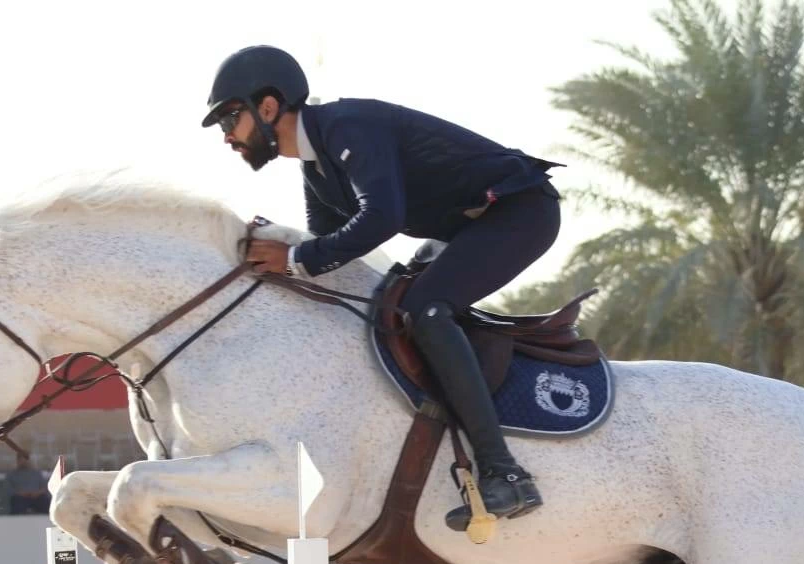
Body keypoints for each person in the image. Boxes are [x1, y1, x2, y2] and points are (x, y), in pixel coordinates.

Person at [202, 45, 560, 530]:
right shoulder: (316, 169)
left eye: (230, 120)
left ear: (268, 108)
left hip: (521, 212)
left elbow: (380, 218)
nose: (227, 137)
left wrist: (295, 258)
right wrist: (276, 255)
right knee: (385, 304)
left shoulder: (347, 126)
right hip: (470, 228)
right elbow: (327, 253)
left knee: (426, 309)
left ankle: (506, 473)